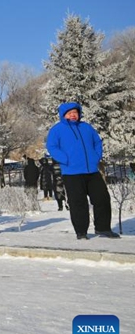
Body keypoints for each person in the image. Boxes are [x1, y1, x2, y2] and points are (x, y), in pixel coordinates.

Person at [45, 102, 120, 239]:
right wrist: (65, 159)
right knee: (78, 202)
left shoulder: (86, 127)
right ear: (63, 115)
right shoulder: (57, 130)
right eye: (69, 113)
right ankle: (81, 232)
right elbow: (52, 147)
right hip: (71, 172)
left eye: (75, 112)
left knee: (102, 198)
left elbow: (97, 142)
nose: (73, 115)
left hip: (92, 170)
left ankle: (103, 228)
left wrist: (96, 157)